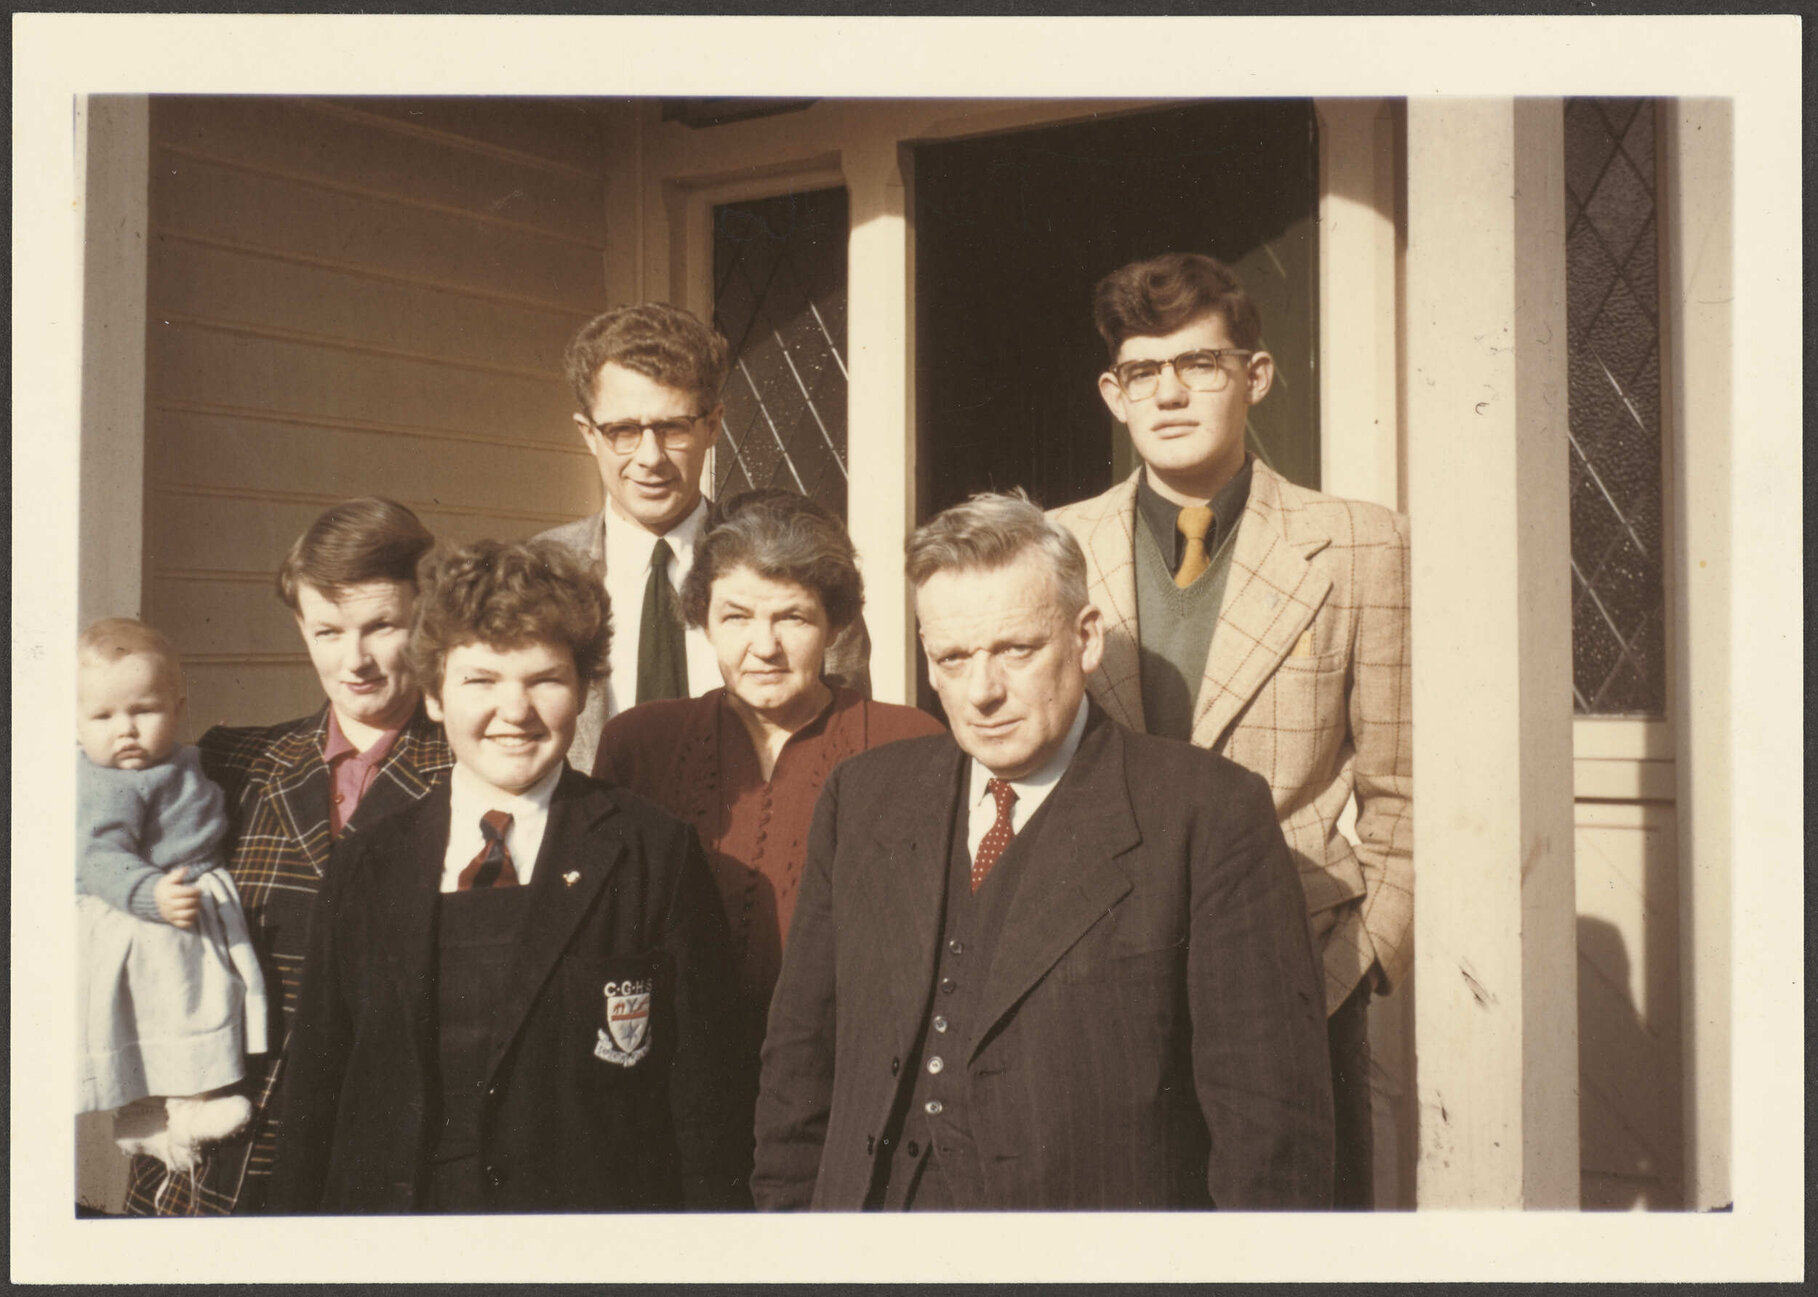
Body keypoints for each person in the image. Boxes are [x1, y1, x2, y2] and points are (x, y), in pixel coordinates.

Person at [752, 491, 1332, 1211]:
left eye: (1016, 650)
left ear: (1086, 638)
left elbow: (1270, 1131)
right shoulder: (864, 798)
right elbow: (798, 1066)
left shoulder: (1206, 814)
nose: (982, 691)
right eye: (953, 657)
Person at [1050, 252, 1413, 1207]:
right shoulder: (1053, 545)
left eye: (1199, 365)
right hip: (1097, 969)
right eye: (1141, 371)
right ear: (1111, 393)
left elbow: (1407, 784)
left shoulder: (1360, 544)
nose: (1168, 393)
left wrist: (1365, 953)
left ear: (1254, 376)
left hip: (1297, 969)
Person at [270, 539, 746, 1213]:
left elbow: (705, 1111)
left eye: (545, 679)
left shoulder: (652, 853)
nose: (515, 710)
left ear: (584, 689)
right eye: (481, 680)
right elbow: (314, 1100)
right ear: (434, 694)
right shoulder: (368, 861)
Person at [594, 489, 944, 1167]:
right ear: (702, 617)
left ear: (835, 622)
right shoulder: (640, 743)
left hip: (844, 1105)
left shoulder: (910, 743)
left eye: (793, 617)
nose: (764, 646)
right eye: (736, 615)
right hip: (673, 1110)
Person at [123, 498, 453, 1216]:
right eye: (328, 630)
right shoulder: (229, 765)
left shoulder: (468, 778)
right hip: (209, 1171)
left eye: (381, 626)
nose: (353, 659)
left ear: (426, 618)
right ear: (301, 625)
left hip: (368, 1177)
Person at [538, 302, 869, 772]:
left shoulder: (802, 570)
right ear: (589, 434)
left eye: (672, 427)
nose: (650, 457)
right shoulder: (540, 571)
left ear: (712, 425)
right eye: (623, 431)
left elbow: (846, 748)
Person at [76, 618, 269, 1181]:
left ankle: (145, 1110)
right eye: (104, 716)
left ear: (178, 709)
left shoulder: (177, 760)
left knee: (190, 999)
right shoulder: (105, 784)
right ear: (76, 723)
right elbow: (99, 859)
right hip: (143, 905)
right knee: (183, 1000)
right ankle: (185, 1104)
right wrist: (149, 894)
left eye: (144, 710)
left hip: (184, 892)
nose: (126, 731)